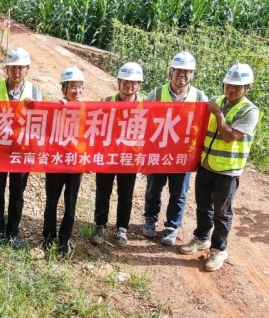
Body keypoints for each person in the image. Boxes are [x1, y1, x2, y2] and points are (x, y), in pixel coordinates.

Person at [180, 64, 260, 272]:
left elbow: (229, 136)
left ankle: (218, 249)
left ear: (247, 87)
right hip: (206, 165)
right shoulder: (215, 101)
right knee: (203, 206)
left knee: (222, 212)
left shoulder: (250, 111)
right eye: (228, 84)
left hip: (227, 171)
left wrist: (218, 115)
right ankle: (201, 238)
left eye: (237, 86)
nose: (231, 89)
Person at [143, 51, 208, 246]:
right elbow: (144, 122)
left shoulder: (199, 97)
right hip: (158, 152)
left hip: (183, 156)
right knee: (153, 189)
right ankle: (150, 219)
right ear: (171, 71)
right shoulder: (156, 94)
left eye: (187, 72)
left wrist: (197, 157)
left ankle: (172, 226)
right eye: (178, 70)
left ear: (192, 74)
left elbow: (203, 129)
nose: (182, 75)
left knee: (178, 193)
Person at [0, 47, 42, 247]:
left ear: (27, 69)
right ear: (6, 69)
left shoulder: (35, 91)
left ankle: (13, 232)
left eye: (21, 68)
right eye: (13, 67)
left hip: (22, 151)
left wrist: (34, 108)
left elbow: (41, 121)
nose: (16, 71)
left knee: (17, 193)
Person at [90, 62, 144, 248]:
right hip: (107, 156)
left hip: (129, 158)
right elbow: (95, 128)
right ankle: (100, 226)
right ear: (119, 81)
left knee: (126, 195)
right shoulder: (106, 102)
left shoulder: (145, 106)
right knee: (103, 192)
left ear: (139, 84)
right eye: (126, 81)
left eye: (134, 82)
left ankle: (122, 229)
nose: (129, 85)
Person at [43, 67, 85, 256]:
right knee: (51, 201)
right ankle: (48, 236)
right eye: (73, 87)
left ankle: (64, 238)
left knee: (71, 203)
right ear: (63, 89)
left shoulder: (86, 110)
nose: (77, 91)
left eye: (79, 87)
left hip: (75, 163)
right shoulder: (55, 108)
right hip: (56, 161)